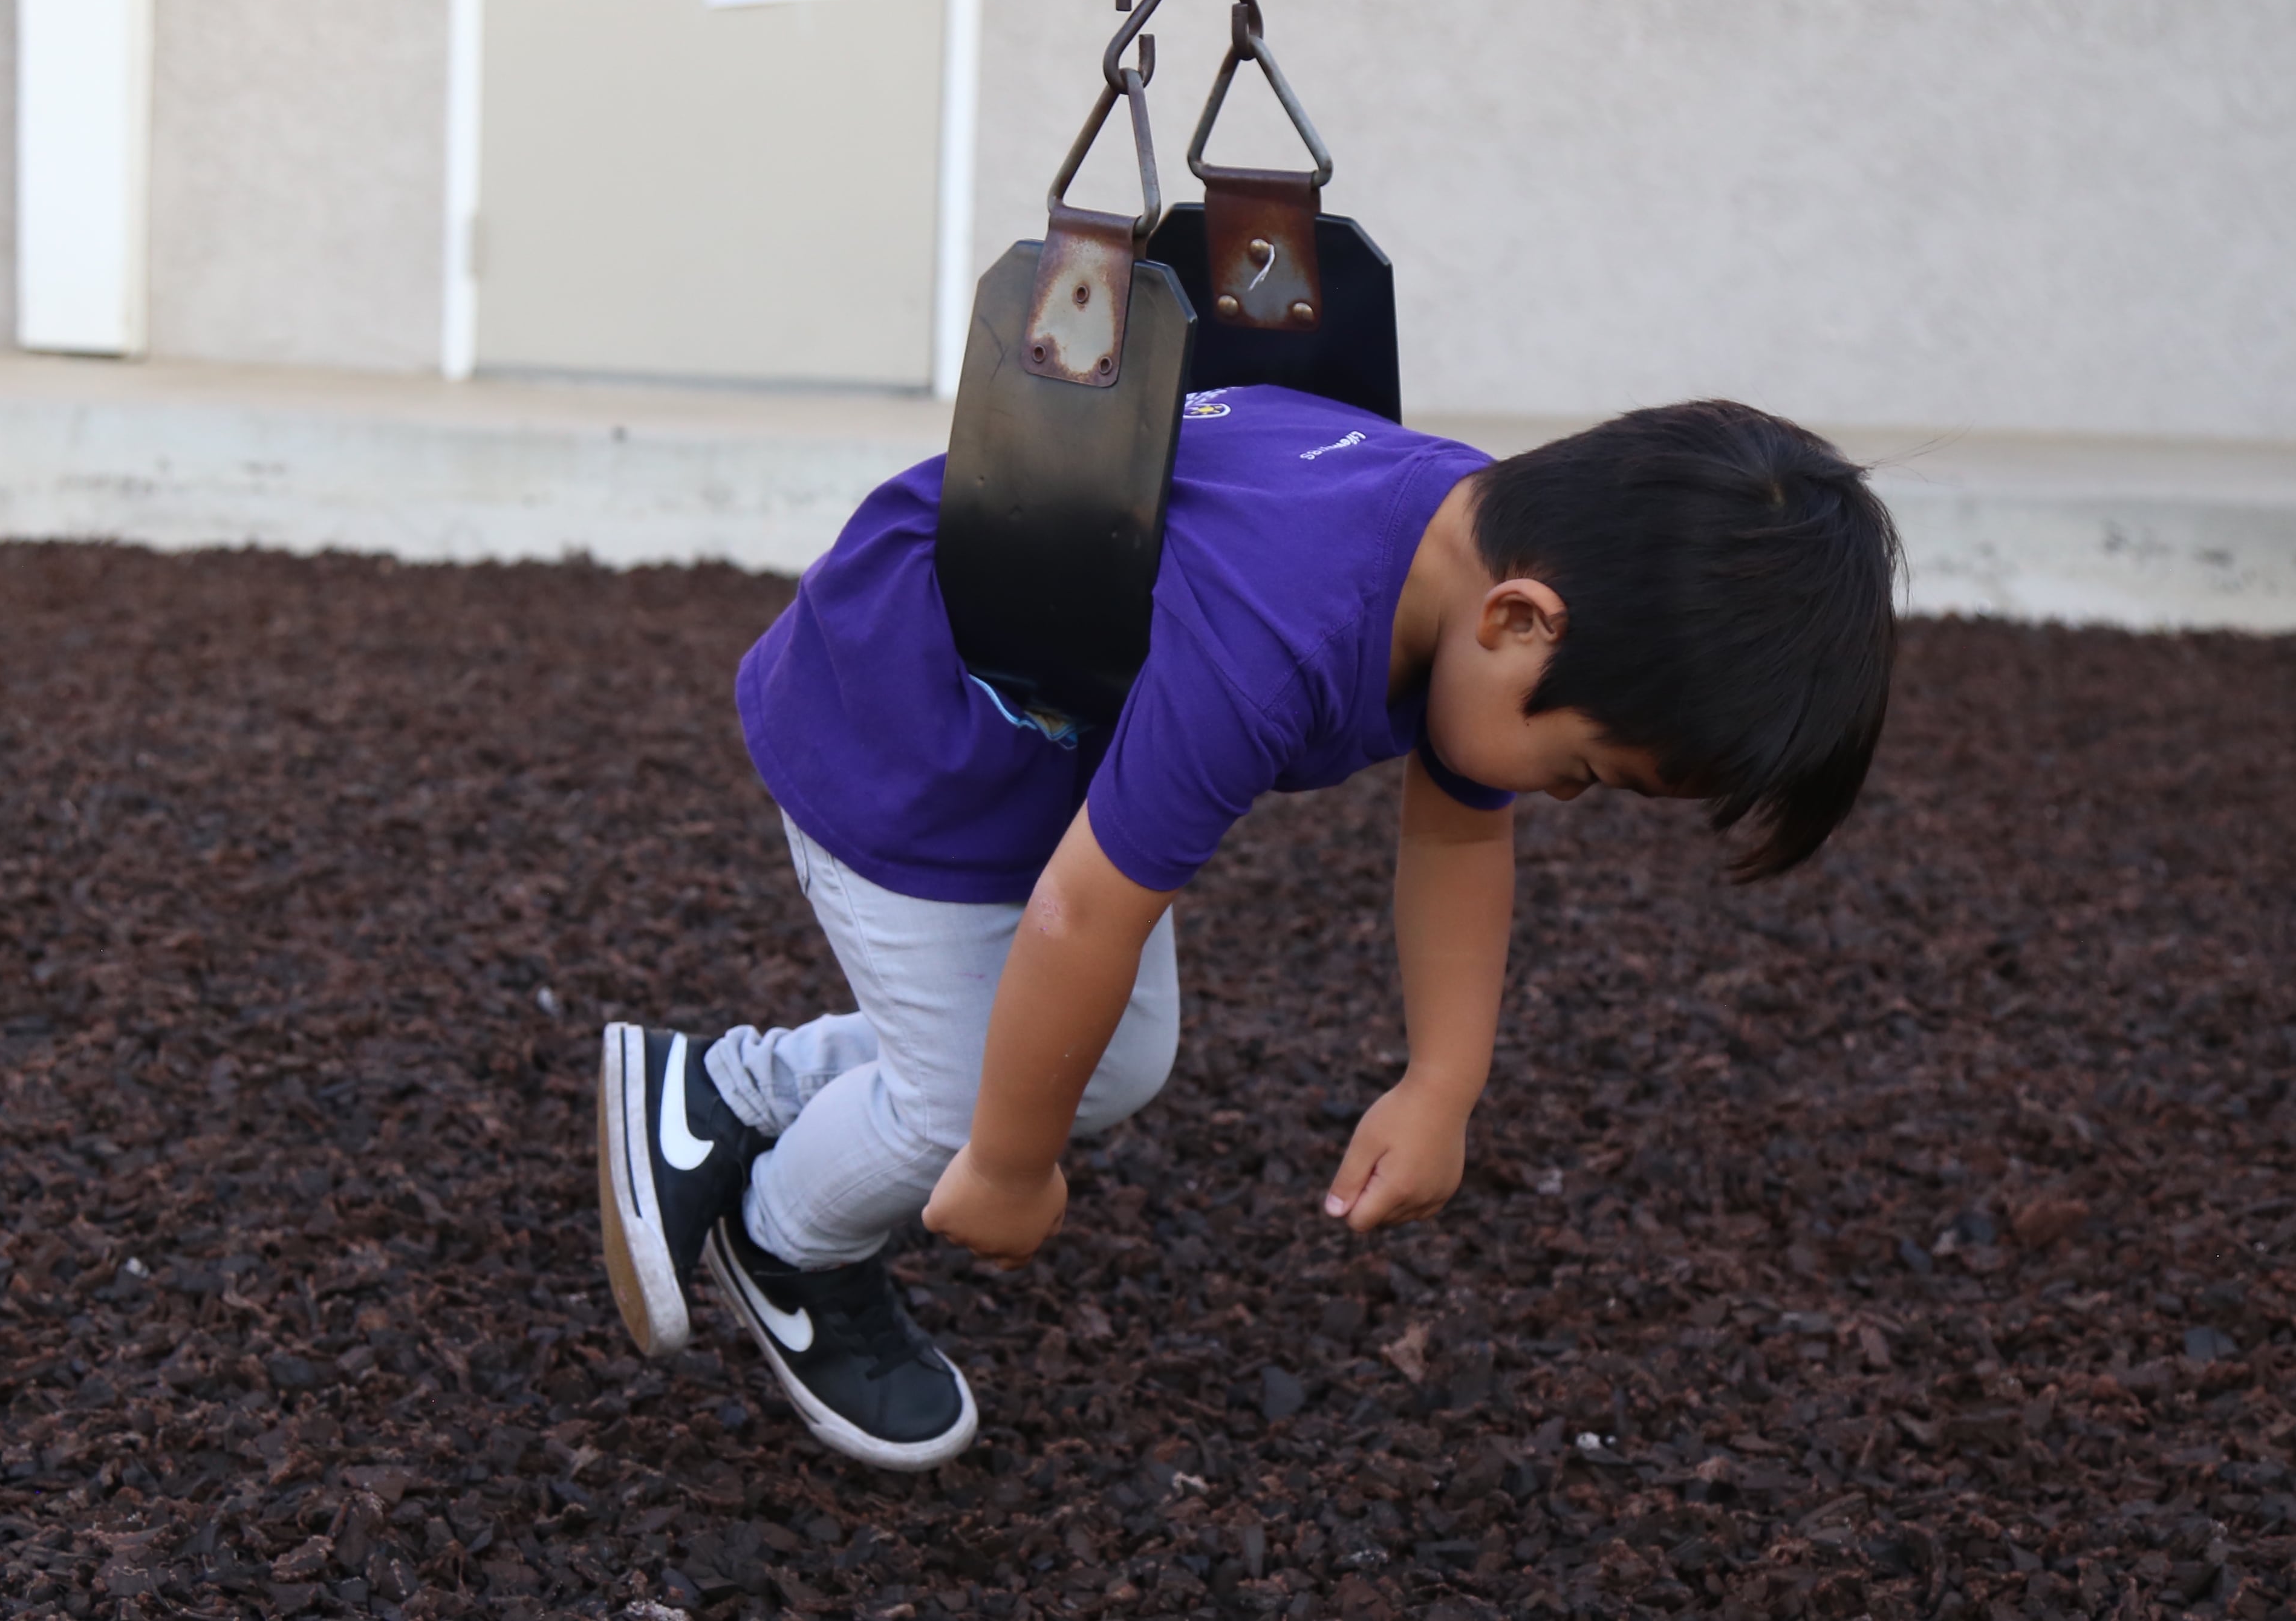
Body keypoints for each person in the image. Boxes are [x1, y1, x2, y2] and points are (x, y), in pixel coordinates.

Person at [596, 389, 1900, 1470]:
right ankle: (784, 1238)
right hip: (905, 729)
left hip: (1043, 729)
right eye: (1587, 772)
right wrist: (1002, 1161)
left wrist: (1444, 1079)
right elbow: (1086, 907)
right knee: (964, 1108)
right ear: (1520, 622)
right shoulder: (1279, 635)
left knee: (1104, 1064)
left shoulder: (1480, 547)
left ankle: (717, 1088)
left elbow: (1462, 823)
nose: (1561, 795)